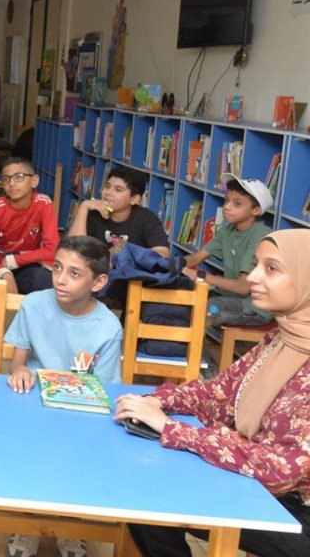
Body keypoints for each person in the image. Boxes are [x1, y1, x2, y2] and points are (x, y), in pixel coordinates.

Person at [116, 229, 310, 557]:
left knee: (150, 497)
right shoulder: (281, 339)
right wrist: (159, 401)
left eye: (271, 268)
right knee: (144, 485)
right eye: (256, 265)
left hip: (296, 513)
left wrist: (172, 429)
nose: (254, 277)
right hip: (265, 488)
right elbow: (217, 394)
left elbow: (281, 470)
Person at [2, 235, 123, 557]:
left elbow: (104, 389)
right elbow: (17, 361)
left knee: (76, 458)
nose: (60, 279)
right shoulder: (33, 304)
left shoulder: (108, 327)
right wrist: (19, 370)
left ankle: (70, 527)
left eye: (74, 273)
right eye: (57, 268)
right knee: (28, 453)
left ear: (98, 282)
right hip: (32, 400)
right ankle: (26, 525)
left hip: (80, 409)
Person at [68, 166, 169, 305]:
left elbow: (162, 254)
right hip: (94, 279)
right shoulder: (93, 213)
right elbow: (72, 249)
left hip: (129, 283)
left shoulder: (146, 219)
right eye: (107, 186)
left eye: (118, 190)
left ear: (134, 199)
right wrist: (84, 207)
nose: (108, 193)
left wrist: (126, 254)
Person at [182, 173, 273, 327]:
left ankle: (194, 343)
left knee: (206, 310)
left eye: (237, 204)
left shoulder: (260, 236)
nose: (226, 207)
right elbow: (197, 258)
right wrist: (173, 264)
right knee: (184, 296)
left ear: (256, 210)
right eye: (226, 200)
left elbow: (244, 287)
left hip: (254, 307)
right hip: (230, 296)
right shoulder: (228, 229)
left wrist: (201, 276)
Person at [0, 157, 60, 295]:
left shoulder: (44, 203)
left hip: (26, 266)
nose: (11, 184)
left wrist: (14, 260)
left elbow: (52, 249)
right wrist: (3, 273)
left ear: (34, 181)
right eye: (6, 179)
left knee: (46, 282)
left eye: (18, 177)